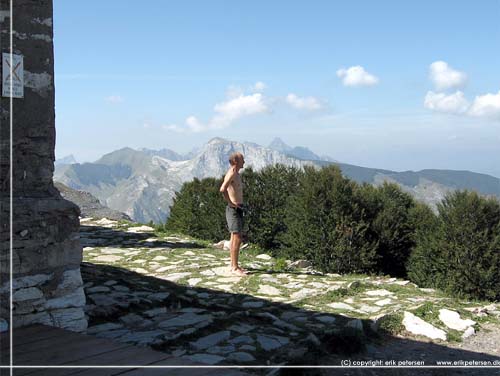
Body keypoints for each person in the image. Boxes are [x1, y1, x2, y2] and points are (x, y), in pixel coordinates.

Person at [219, 152, 248, 276]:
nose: (244, 162)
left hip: (238, 208)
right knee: (237, 238)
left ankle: (233, 265)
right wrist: (231, 202)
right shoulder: (231, 173)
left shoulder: (236, 173)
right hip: (233, 209)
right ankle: (235, 268)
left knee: (234, 238)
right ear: (236, 161)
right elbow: (222, 189)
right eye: (242, 160)